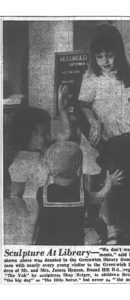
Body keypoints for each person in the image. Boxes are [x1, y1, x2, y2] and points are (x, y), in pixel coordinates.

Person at [78, 24, 130, 243]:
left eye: (110, 55)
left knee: (127, 176)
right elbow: (83, 105)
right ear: (94, 56)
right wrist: (95, 123)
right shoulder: (91, 76)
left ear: (119, 53)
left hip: (126, 131)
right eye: (100, 56)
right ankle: (111, 227)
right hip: (102, 136)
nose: (105, 61)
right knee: (109, 180)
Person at [8, 85, 71, 244]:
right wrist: (27, 216)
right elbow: (15, 194)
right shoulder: (21, 162)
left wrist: (62, 109)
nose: (49, 136)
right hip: (34, 210)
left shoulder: (48, 149)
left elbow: (67, 134)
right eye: (43, 134)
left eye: (48, 131)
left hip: (54, 205)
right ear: (27, 135)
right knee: (35, 241)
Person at [35, 141, 124, 245]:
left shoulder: (42, 193)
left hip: (45, 245)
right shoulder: (82, 195)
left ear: (50, 170)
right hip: (73, 245)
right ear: (78, 170)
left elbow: (35, 221)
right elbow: (102, 195)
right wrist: (110, 182)